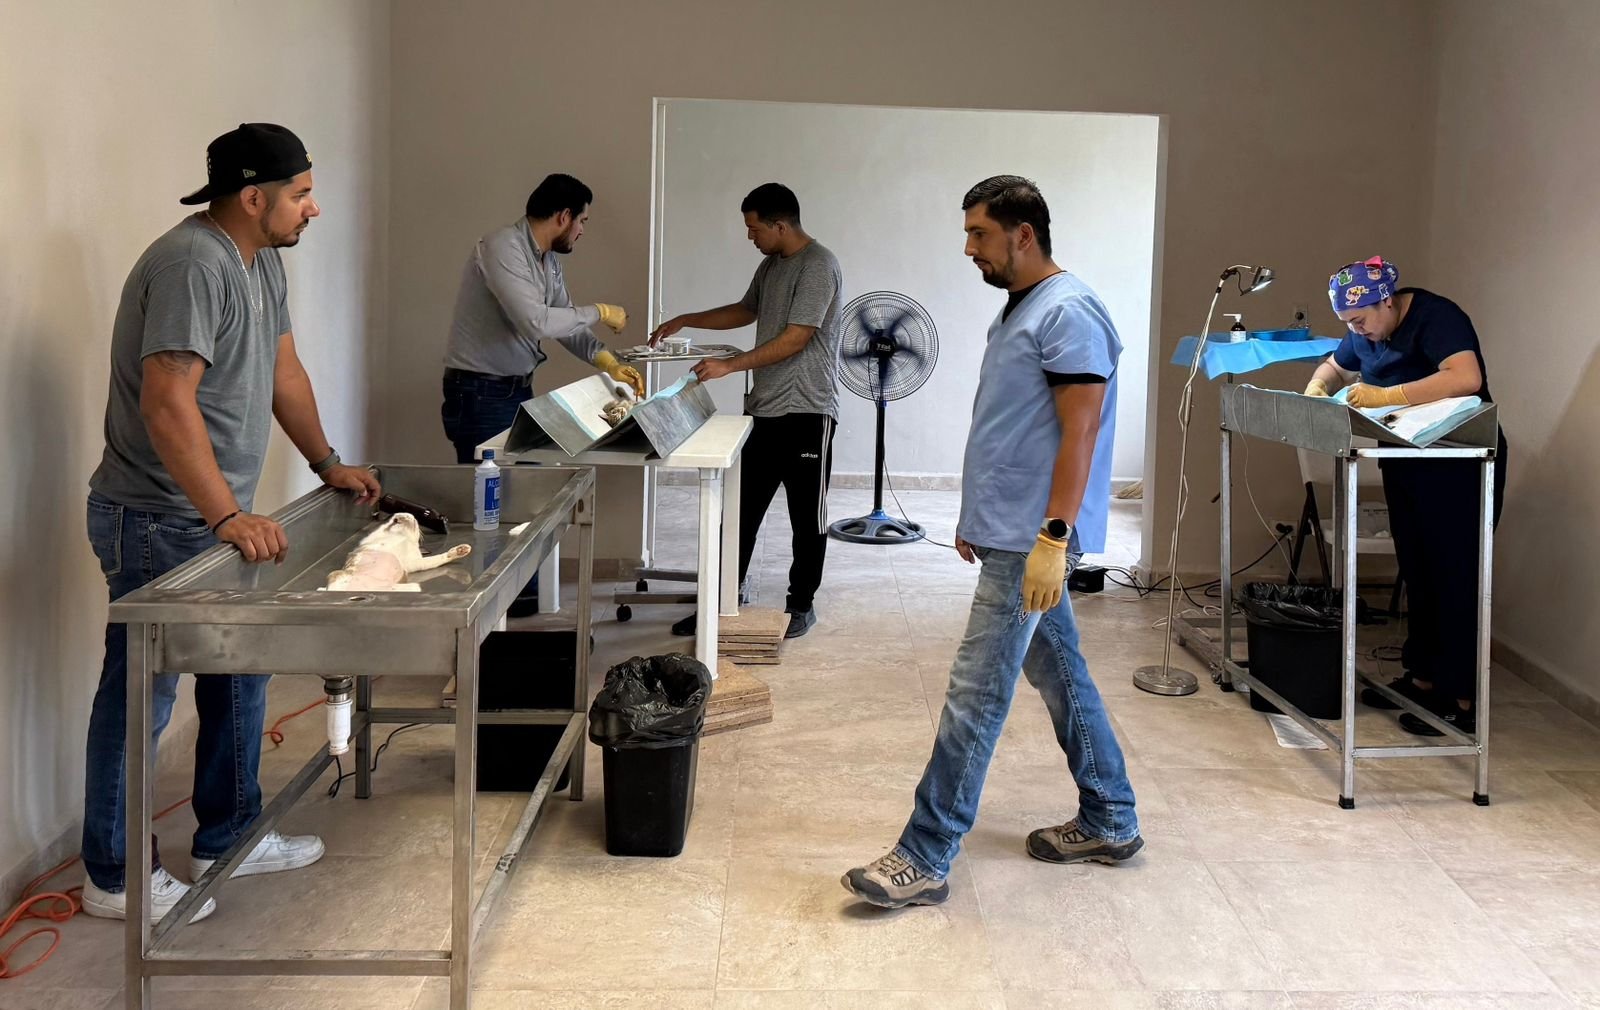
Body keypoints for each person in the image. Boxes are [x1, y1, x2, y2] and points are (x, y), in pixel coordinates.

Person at [83, 123, 383, 922]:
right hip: (157, 518)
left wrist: (327, 462)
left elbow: (284, 372)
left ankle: (230, 839)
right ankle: (113, 877)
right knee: (142, 694)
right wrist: (225, 513)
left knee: (242, 672)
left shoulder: (261, 260)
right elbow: (166, 400)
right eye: (301, 194)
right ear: (253, 198)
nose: (313, 208)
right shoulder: (192, 264)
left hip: (208, 517)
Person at [843, 176, 1141, 908]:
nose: (969, 247)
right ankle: (1111, 815)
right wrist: (975, 513)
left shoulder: (1069, 311)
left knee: (975, 693)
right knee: (1061, 672)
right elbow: (1009, 424)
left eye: (979, 233)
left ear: (1023, 234)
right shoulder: (1021, 308)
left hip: (1033, 537)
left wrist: (1053, 539)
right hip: (1008, 528)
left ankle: (926, 853)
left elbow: (1080, 431)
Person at [1304, 256, 1507, 735]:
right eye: (1349, 323)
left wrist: (1388, 396)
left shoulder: (1437, 317)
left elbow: (1466, 378)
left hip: (1459, 461)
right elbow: (1336, 364)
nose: (1358, 331)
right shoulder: (1364, 328)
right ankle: (1422, 678)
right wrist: (1318, 387)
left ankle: (1459, 696)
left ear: (1388, 302)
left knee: (1454, 574)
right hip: (1406, 456)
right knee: (1418, 569)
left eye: (1361, 321)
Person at [440, 173, 642, 615]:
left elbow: (564, 322)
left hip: (514, 389)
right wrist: (600, 310)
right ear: (564, 216)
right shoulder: (501, 247)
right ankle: (486, 615)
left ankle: (520, 601)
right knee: (491, 508)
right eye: (582, 221)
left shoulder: (547, 260)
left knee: (525, 498)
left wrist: (607, 361)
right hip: (479, 392)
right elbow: (536, 321)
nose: (582, 231)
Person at [651, 183, 843, 640]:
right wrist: (686, 319)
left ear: (781, 225)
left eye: (755, 229)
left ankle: (801, 604)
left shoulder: (819, 265)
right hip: (764, 410)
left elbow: (797, 338)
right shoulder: (771, 265)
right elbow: (745, 310)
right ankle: (719, 602)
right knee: (739, 512)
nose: (750, 236)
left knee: (806, 517)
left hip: (807, 411)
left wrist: (730, 365)